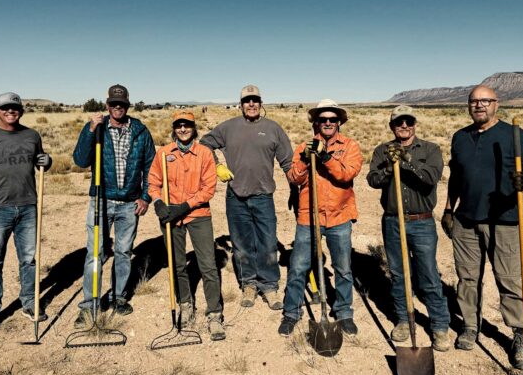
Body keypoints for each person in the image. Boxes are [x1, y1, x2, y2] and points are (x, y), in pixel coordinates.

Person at [442, 85, 523, 369]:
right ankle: (470, 326)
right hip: (466, 220)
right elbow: (455, 177)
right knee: (467, 278)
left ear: (496, 104)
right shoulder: (460, 137)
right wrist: (449, 209)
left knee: (509, 281)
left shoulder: (513, 134)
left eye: (485, 101)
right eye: (474, 101)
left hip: (505, 220)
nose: (479, 106)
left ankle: (520, 335)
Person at [200, 85, 293, 310]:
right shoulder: (229, 127)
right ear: (241, 104)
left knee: (268, 242)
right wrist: (217, 165)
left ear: (261, 103)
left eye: (255, 100)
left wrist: (296, 190)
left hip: (263, 196)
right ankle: (249, 284)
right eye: (247, 101)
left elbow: (288, 162)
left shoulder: (273, 129)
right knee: (241, 244)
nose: (251, 104)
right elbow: (204, 143)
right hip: (236, 196)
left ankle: (269, 286)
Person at [366, 105, 450, 351]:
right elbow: (372, 180)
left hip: (422, 222)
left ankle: (439, 325)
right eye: (399, 122)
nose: (404, 126)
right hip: (394, 222)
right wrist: (388, 168)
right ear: (392, 126)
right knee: (399, 274)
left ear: (414, 124)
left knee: (428, 275)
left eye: (408, 122)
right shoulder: (382, 150)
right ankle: (403, 319)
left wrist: (406, 161)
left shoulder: (430, 149)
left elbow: (431, 178)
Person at [0, 92, 52, 333]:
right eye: (5, 108)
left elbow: (39, 162)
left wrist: (47, 161)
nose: (10, 111)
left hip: (28, 207)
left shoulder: (32, 135)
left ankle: (29, 302)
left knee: (29, 260)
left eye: (14, 108)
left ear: (21, 111)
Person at [72, 84, 155, 328]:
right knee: (95, 253)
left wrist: (146, 197)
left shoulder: (140, 131)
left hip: (130, 203)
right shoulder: (97, 130)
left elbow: (151, 166)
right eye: (113, 104)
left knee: (123, 252)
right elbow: (80, 160)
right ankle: (90, 305)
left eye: (122, 104)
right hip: (101, 201)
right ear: (107, 105)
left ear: (128, 105)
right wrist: (90, 130)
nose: (117, 108)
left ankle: (119, 297)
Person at [279, 100, 362, 336]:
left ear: (339, 123)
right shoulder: (302, 148)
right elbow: (294, 178)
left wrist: (325, 157)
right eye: (323, 119)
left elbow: (346, 175)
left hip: (339, 216)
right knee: (298, 267)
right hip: (309, 216)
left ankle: (344, 312)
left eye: (332, 119)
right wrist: (306, 160)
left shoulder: (349, 147)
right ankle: (291, 313)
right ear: (316, 122)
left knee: (343, 268)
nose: (327, 123)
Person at [148, 110, 226, 341]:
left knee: (208, 265)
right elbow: (153, 182)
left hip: (198, 215)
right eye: (179, 125)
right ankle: (185, 303)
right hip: (171, 217)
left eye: (188, 125)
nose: (183, 129)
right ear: (174, 128)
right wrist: (159, 202)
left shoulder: (204, 153)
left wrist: (185, 205)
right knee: (177, 264)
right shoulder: (163, 153)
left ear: (194, 128)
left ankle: (214, 314)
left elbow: (208, 188)